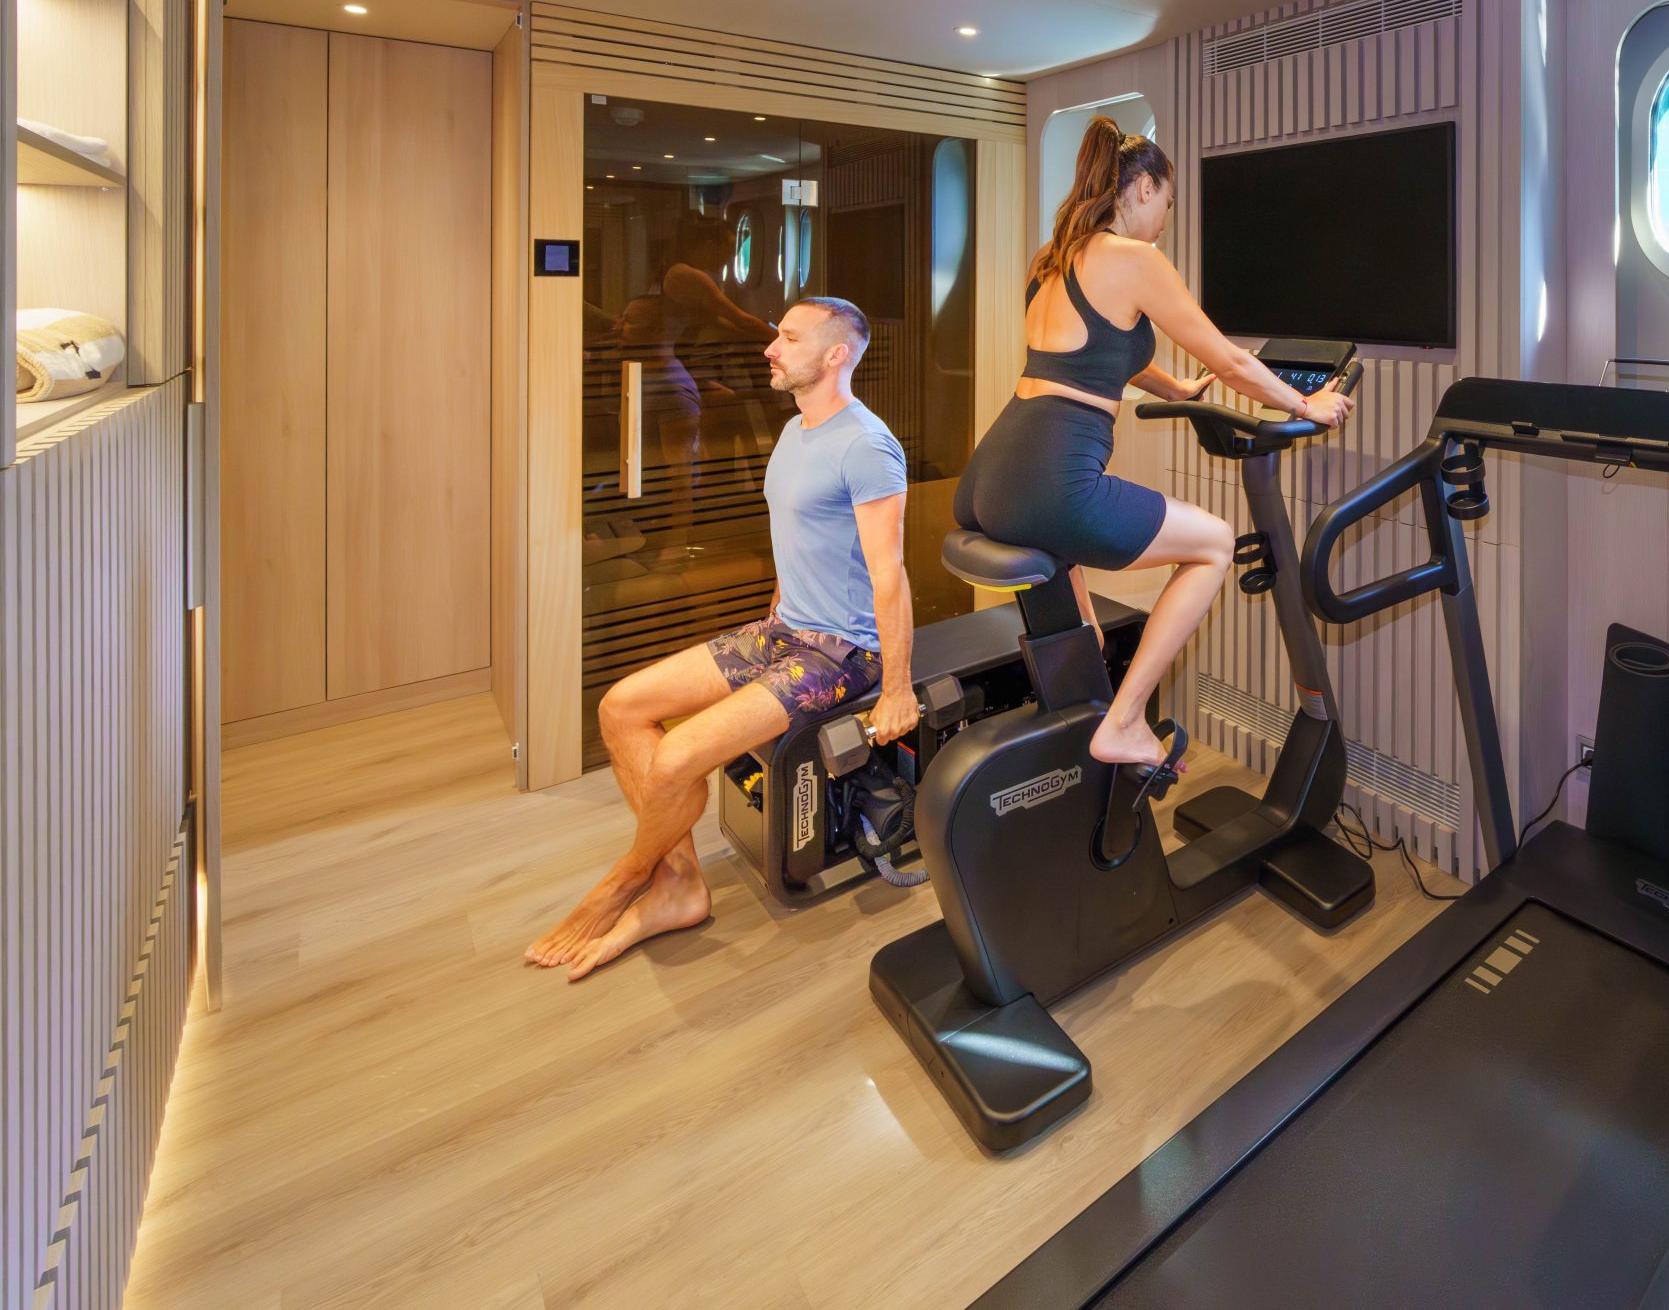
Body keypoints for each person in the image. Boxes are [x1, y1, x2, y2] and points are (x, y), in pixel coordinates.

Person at [527, 295, 920, 980]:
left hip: (841, 652)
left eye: (788, 338)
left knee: (676, 757)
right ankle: (678, 884)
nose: (770, 348)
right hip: (784, 629)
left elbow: (890, 574)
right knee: (621, 708)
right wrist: (772, 621)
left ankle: (628, 878)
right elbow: (801, 544)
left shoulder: (866, 445)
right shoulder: (796, 430)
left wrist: (898, 687)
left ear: (836, 354)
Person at [954, 118, 1351, 786]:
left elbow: (1099, 353)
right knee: (1214, 543)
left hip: (992, 473)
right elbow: (1230, 359)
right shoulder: (1135, 259)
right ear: (1143, 189)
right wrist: (1305, 404)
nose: (1165, 220)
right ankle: (1125, 720)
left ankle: (1083, 712)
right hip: (1053, 475)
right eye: (1167, 202)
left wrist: (1178, 388)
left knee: (1082, 610)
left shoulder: (1052, 257)